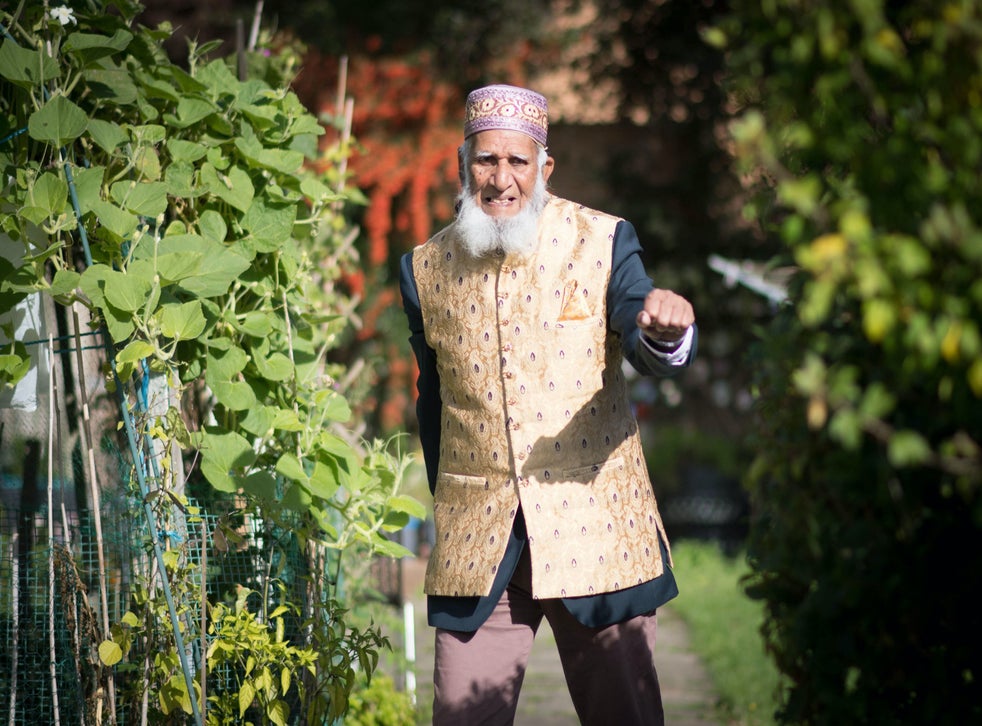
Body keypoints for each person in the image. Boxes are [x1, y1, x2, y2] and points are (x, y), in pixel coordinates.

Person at [399, 83, 697, 726]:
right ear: (462, 164)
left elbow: (637, 328)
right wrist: (450, 498)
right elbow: (435, 403)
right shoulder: (423, 268)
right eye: (486, 160)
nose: (501, 179)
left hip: (594, 531)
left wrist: (662, 332)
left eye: (517, 161)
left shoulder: (604, 239)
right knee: (460, 715)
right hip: (479, 544)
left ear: (544, 168)